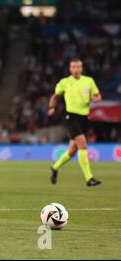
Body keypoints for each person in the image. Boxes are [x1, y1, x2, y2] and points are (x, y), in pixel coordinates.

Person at [48, 58, 102, 187]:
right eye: (74, 67)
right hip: (70, 117)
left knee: (72, 150)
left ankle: (55, 168)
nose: (76, 69)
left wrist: (95, 98)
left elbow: (97, 96)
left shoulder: (89, 81)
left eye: (78, 67)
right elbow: (55, 96)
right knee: (82, 145)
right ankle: (89, 178)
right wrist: (51, 107)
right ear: (70, 68)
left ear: (82, 68)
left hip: (84, 118)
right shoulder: (65, 82)